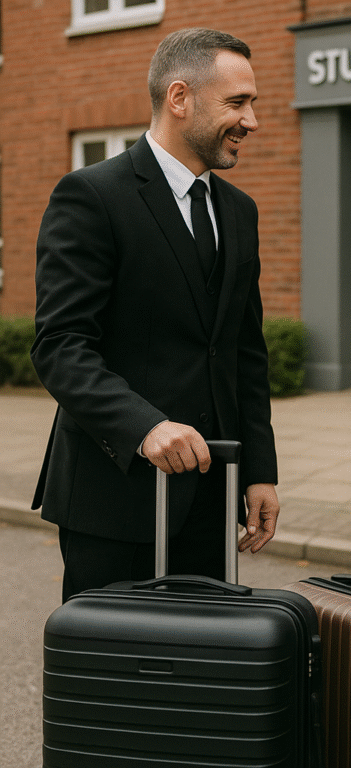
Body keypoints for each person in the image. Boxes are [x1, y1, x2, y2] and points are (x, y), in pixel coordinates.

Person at [31, 28, 279, 602]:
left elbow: (244, 353)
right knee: (112, 682)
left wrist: (259, 470)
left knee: (198, 676)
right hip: (114, 500)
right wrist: (145, 427)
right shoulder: (91, 195)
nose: (252, 120)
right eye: (237, 103)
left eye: (253, 103)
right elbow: (61, 346)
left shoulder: (239, 211)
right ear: (179, 98)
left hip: (210, 497)